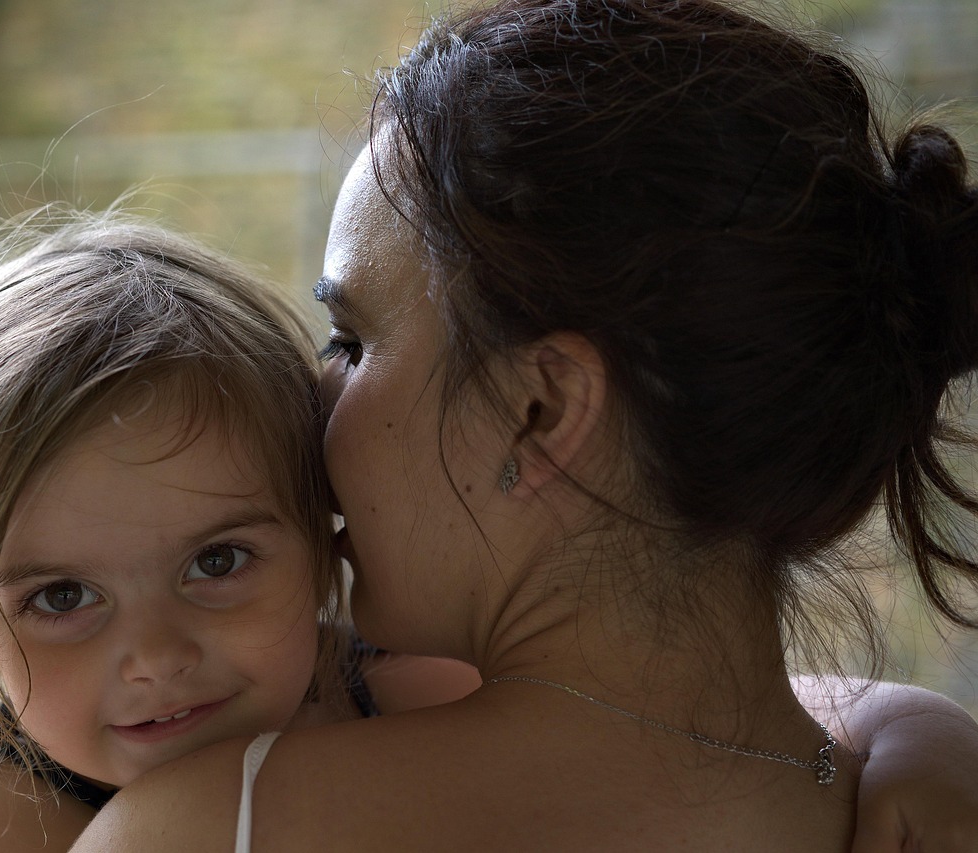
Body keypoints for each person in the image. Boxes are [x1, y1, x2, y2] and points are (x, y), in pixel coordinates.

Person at [68, 1, 978, 851]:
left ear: (538, 411)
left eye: (351, 340)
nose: (312, 399)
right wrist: (919, 726)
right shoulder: (874, 792)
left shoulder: (211, 824)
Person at [0, 207, 479, 853]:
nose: (158, 658)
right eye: (63, 596)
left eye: (217, 561)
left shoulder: (432, 702)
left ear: (319, 527)